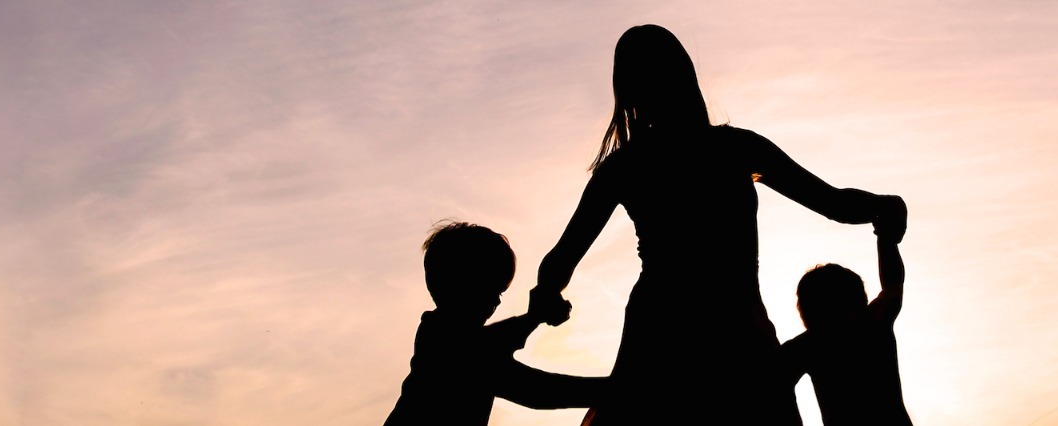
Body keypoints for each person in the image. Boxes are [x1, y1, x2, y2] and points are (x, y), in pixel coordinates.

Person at [527, 24, 907, 425]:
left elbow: (559, 261)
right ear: (685, 76)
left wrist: (547, 296)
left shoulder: (625, 167)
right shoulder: (737, 148)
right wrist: (884, 206)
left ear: (628, 91)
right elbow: (833, 203)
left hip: (660, 330)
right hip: (736, 327)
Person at [384, 220, 609, 426]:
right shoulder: (440, 337)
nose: (497, 301)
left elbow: (494, 343)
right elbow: (534, 389)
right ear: (461, 283)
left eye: (500, 292)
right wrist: (611, 389)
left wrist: (533, 319)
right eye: (490, 289)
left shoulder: (448, 337)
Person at [780, 205, 913, 425]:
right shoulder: (873, 324)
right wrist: (886, 237)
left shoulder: (808, 346)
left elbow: (770, 387)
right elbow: (893, 285)